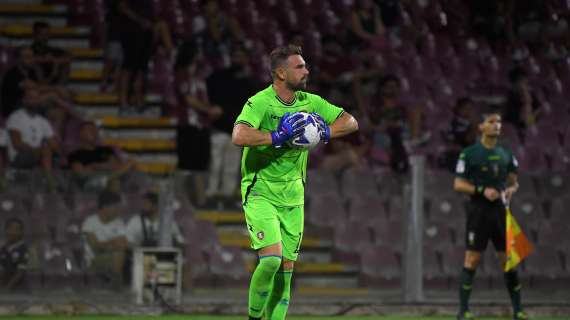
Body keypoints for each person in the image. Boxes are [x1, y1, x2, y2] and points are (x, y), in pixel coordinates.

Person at [232, 44, 358, 320]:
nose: (306, 71)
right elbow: (239, 136)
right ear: (280, 72)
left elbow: (350, 122)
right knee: (271, 261)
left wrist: (324, 131)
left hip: (293, 195)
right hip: (261, 191)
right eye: (299, 66)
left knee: (286, 272)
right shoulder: (260, 102)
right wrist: (276, 137)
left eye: (305, 66)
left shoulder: (310, 102)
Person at [453, 106, 527, 320]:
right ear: (481, 127)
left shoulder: (506, 154)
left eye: (499, 122)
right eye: (492, 122)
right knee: (472, 258)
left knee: (508, 261)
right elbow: (458, 184)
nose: (497, 125)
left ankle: (518, 311)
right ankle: (463, 311)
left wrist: (511, 191)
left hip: (501, 212)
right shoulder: (469, 154)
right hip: (478, 211)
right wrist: (481, 190)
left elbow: (514, 183)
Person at [205, 45, 260, 207]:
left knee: (231, 167)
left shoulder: (250, 83)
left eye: (240, 56)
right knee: (215, 165)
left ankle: (227, 197)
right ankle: (211, 195)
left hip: (236, 131)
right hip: (219, 129)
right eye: (235, 55)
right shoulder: (219, 77)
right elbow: (207, 95)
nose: (238, 59)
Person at [173, 41, 222, 207]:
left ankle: (200, 200)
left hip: (202, 126)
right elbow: (187, 98)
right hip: (188, 126)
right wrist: (208, 110)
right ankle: (179, 200)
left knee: (201, 165)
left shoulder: (200, 76)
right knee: (187, 164)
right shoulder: (182, 74)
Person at [67, 121, 136, 191]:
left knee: (125, 170)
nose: (92, 131)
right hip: (91, 182)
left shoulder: (106, 149)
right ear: (81, 134)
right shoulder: (75, 154)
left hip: (109, 178)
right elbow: (81, 174)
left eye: (93, 129)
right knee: (117, 179)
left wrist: (97, 166)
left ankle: (108, 180)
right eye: (88, 129)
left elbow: (118, 165)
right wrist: (98, 166)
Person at [5, 87, 60, 172]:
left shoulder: (43, 121)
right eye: (31, 98)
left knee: (49, 150)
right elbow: (17, 144)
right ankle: (51, 182)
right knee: (43, 151)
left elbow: (55, 146)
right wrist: (37, 150)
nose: (34, 101)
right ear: (24, 100)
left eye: (36, 98)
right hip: (19, 157)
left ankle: (48, 180)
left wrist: (52, 145)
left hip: (37, 155)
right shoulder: (15, 117)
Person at [82, 191, 128, 288]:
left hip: (114, 256)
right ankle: (117, 288)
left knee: (121, 255)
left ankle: (116, 285)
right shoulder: (90, 222)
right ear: (105, 207)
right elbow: (95, 246)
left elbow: (123, 244)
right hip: (93, 259)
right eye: (115, 207)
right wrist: (112, 242)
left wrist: (108, 245)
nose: (118, 210)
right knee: (118, 255)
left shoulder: (118, 222)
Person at [440, 97, 478, 172]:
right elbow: (468, 139)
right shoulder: (455, 122)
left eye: (471, 109)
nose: (468, 111)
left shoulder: (467, 122)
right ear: (458, 109)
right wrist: (474, 125)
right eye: (466, 108)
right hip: (454, 154)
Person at [503, 67, 542, 138]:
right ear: (514, 83)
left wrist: (530, 121)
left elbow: (538, 110)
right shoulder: (509, 97)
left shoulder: (530, 94)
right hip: (513, 132)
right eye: (522, 81)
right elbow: (513, 119)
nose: (525, 84)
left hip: (529, 129)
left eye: (525, 82)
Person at [0, 218, 29, 291]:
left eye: (17, 230)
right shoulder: (3, 248)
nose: (13, 232)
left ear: (21, 232)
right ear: (6, 230)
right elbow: (2, 269)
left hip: (20, 288)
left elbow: (20, 272)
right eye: (10, 229)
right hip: (5, 284)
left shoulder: (23, 248)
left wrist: (8, 288)